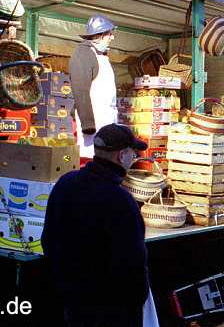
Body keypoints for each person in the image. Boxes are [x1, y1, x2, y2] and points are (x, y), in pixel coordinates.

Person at [41, 124, 150, 327]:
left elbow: (48, 241)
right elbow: (133, 266)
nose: (133, 158)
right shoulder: (121, 201)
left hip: (71, 302)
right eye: (133, 153)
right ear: (122, 156)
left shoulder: (65, 183)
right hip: (109, 310)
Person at [69, 15, 118, 160]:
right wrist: (88, 124)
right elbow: (80, 91)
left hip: (105, 119)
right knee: (90, 159)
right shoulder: (83, 54)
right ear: (100, 35)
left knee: (104, 158)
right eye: (110, 34)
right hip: (93, 123)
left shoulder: (100, 55)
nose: (112, 38)